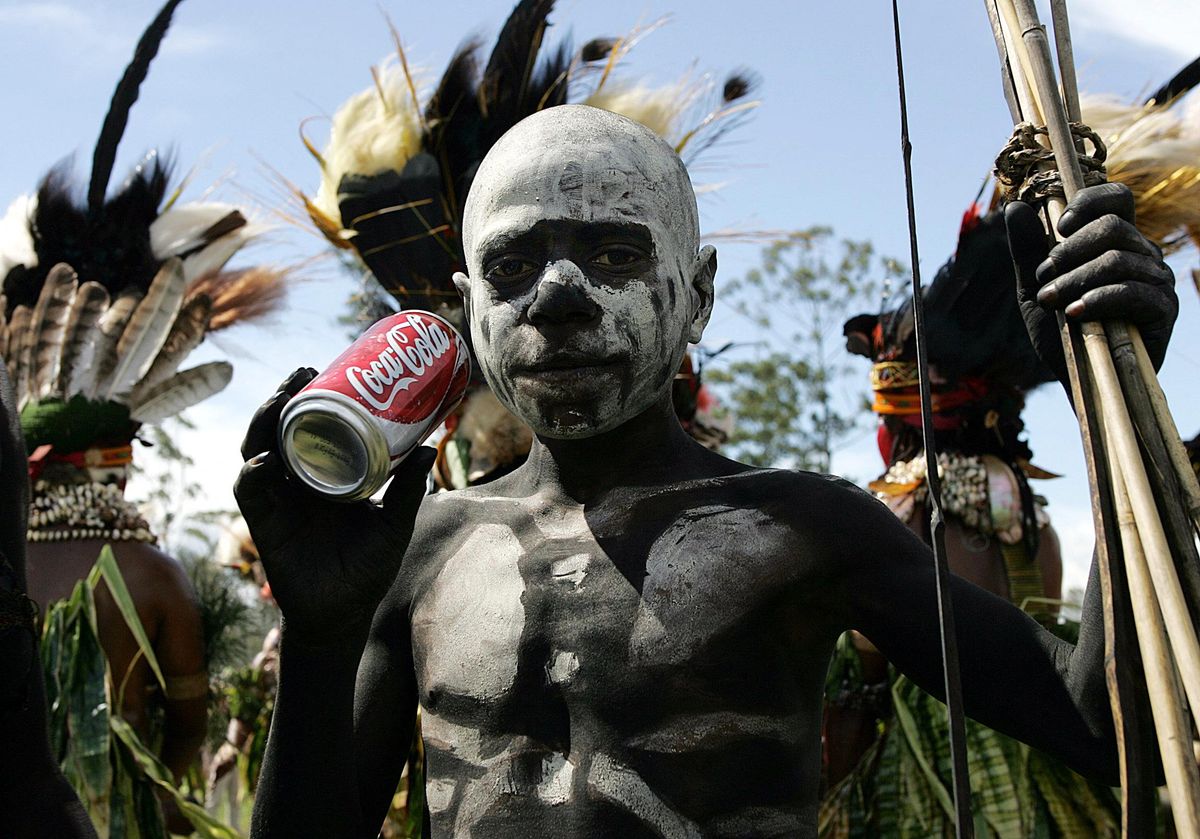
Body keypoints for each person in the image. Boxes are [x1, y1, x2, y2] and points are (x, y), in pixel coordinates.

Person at [236, 105, 1177, 838]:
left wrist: (1115, 406)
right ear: (469, 307)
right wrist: (316, 637)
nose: (560, 297)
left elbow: (1100, 727)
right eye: (515, 263)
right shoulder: (421, 547)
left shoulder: (803, 529)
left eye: (613, 253)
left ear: (697, 295)